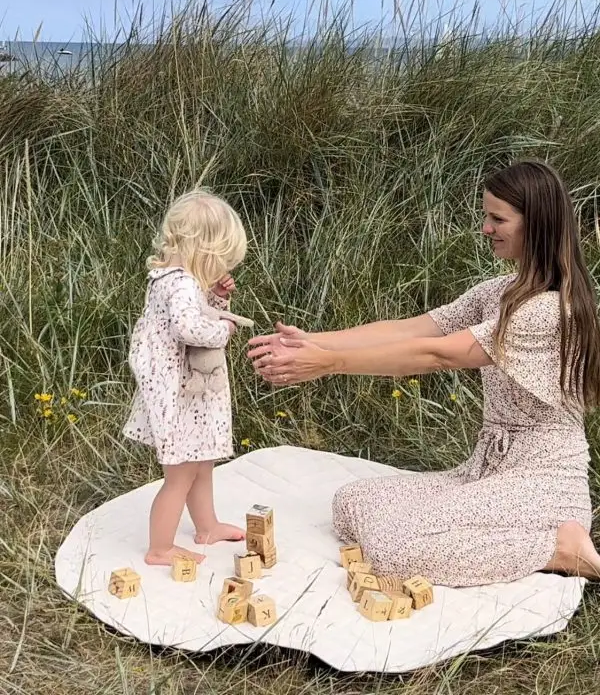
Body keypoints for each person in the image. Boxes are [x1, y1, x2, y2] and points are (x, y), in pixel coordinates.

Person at [247, 160, 600, 586]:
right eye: (486, 215)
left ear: (537, 224)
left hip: (541, 481)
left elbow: (438, 354)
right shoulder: (496, 294)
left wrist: (329, 364)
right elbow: (411, 329)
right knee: (352, 502)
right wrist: (315, 342)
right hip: (487, 469)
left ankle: (560, 547)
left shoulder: (549, 310)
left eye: (498, 218)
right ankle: (538, 539)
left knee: (393, 547)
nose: (485, 228)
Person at [123, 190, 247, 566]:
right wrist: (225, 329)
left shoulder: (179, 280)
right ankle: (160, 548)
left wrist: (217, 300)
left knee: (202, 460)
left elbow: (197, 311)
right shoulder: (179, 283)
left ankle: (206, 525)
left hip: (187, 390)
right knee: (181, 473)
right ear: (205, 251)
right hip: (177, 395)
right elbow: (190, 327)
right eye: (221, 259)